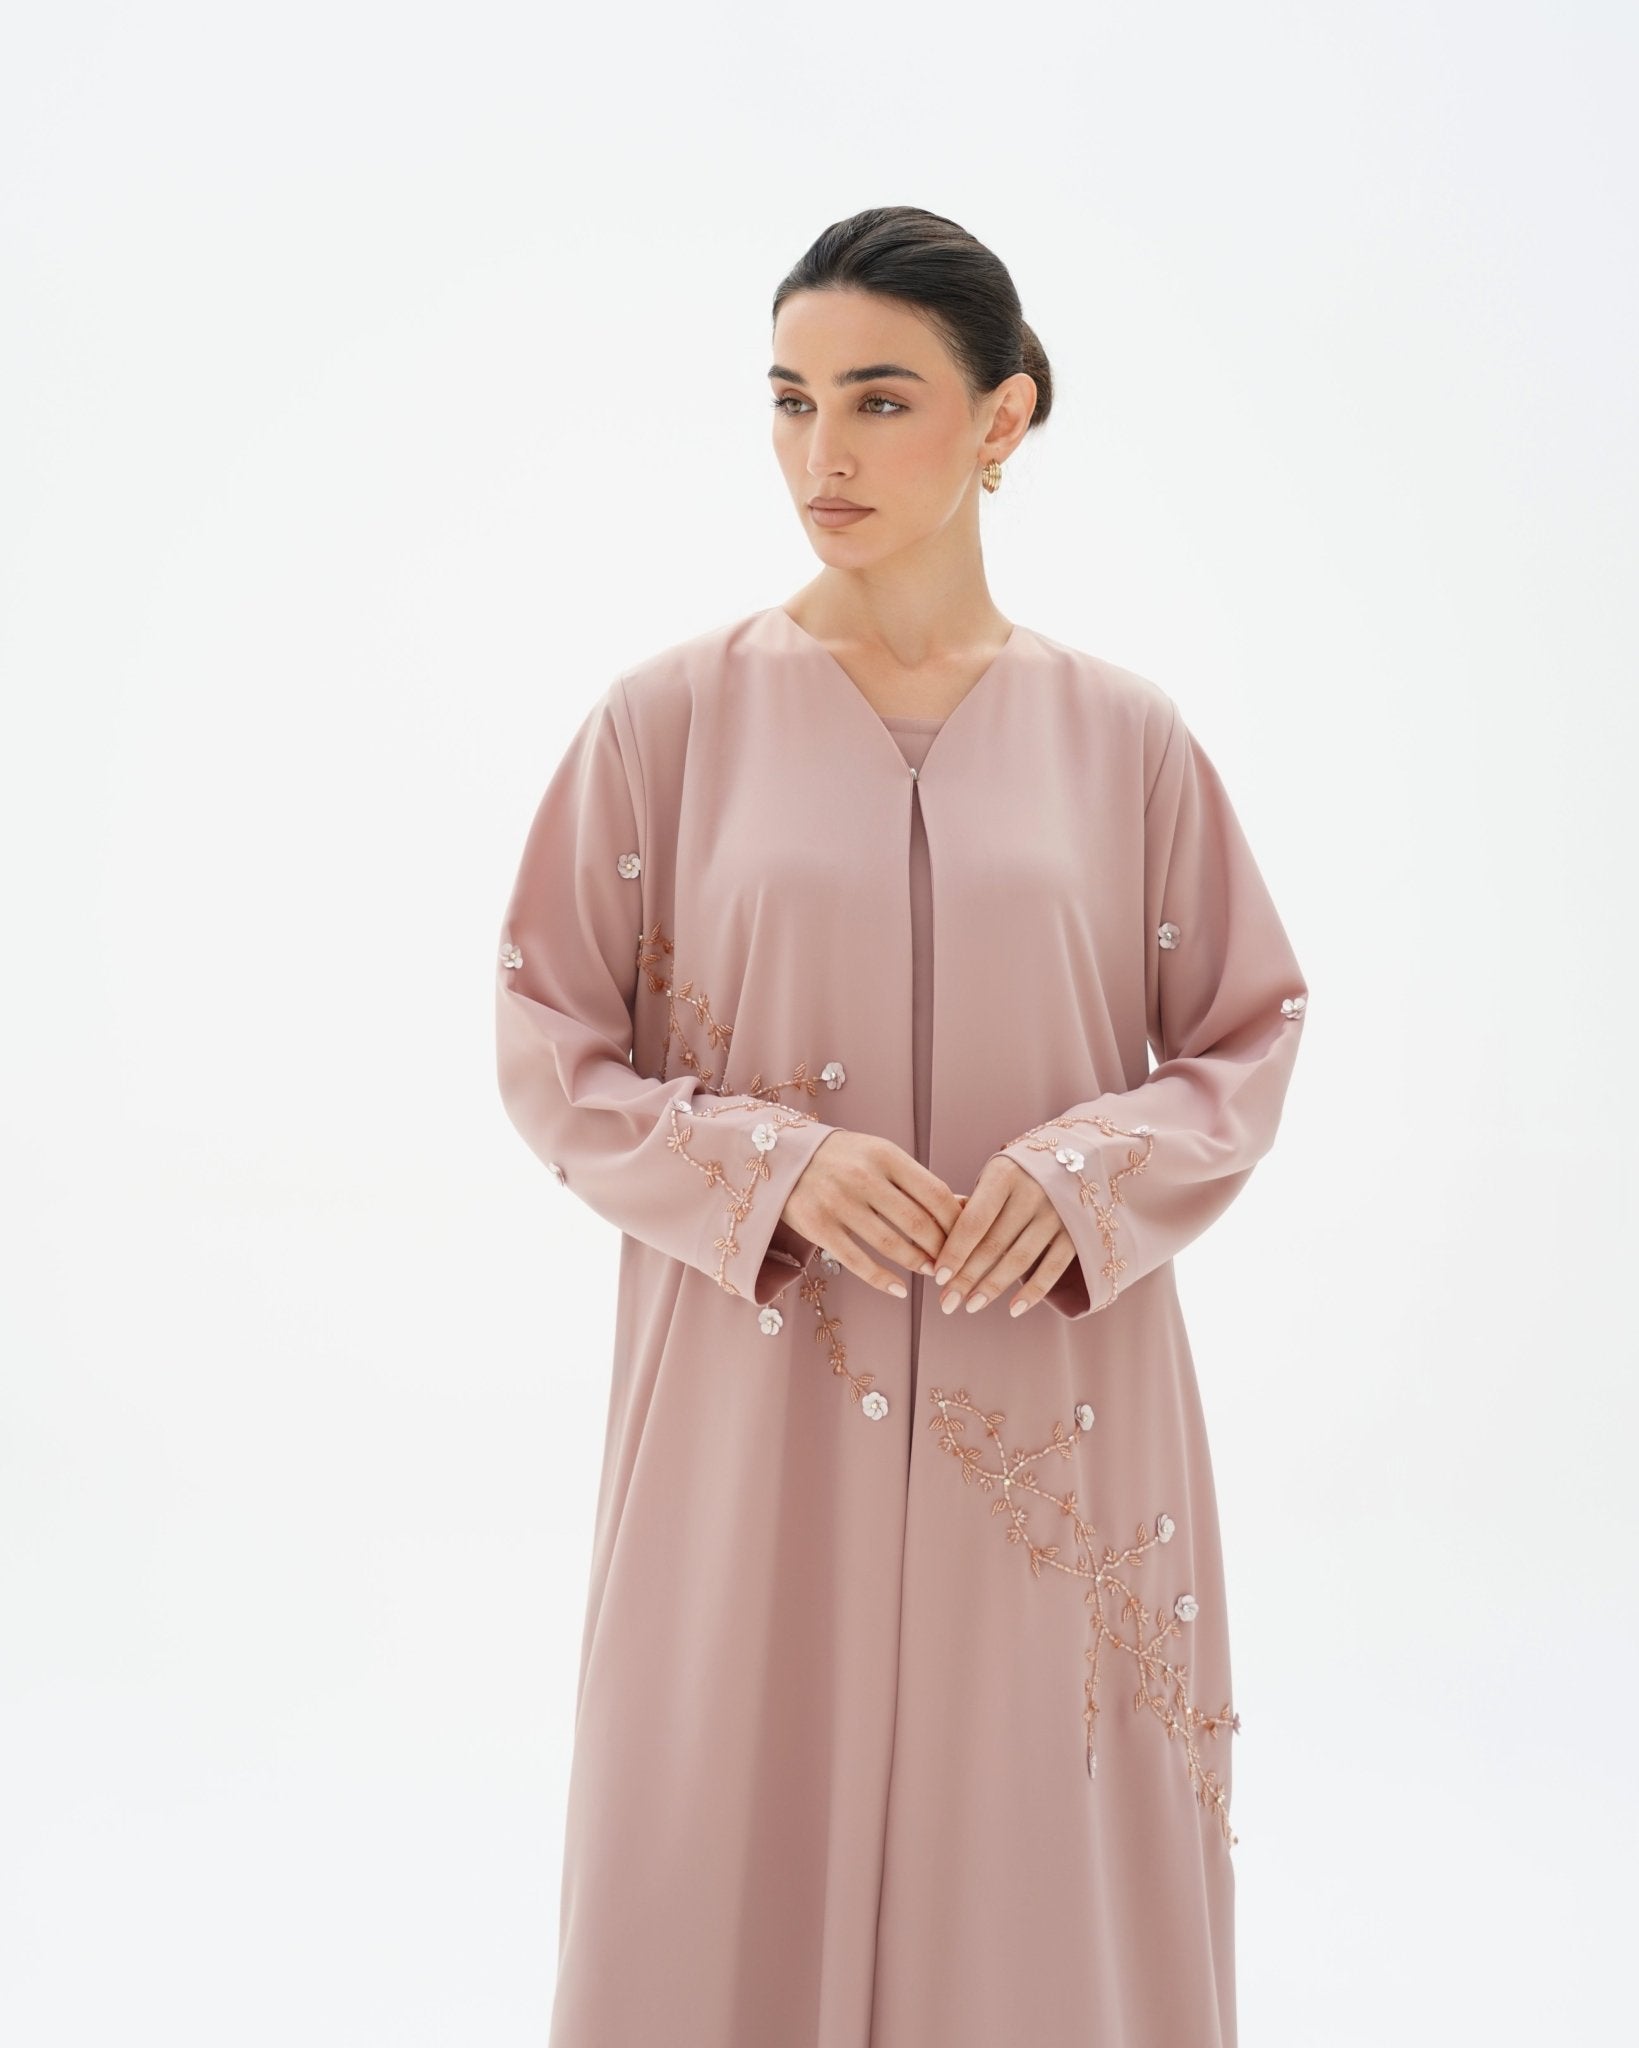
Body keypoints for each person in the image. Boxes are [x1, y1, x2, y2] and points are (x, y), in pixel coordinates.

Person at [495, 204, 1308, 2048]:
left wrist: (1089, 1177)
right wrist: (767, 1167)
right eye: (790, 402)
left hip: (1051, 1397)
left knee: (1038, 1845)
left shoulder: (1127, 741)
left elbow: (1245, 1031)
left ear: (1003, 418)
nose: (824, 455)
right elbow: (549, 1036)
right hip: (756, 1400)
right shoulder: (666, 725)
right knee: (722, 1802)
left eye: (878, 400)